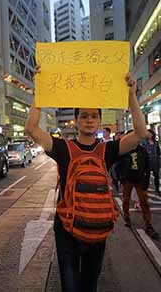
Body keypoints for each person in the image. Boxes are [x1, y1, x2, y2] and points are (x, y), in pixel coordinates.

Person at [25, 68, 147, 292]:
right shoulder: (63, 148)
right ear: (76, 121)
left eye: (94, 116)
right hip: (66, 232)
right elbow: (31, 128)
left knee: (90, 286)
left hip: (96, 226)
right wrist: (38, 93)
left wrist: (131, 96)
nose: (89, 120)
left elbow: (140, 133)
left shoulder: (107, 150)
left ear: (100, 121)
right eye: (84, 116)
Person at [117, 133, 159, 240]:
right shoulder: (125, 151)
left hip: (140, 179)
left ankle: (148, 225)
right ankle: (127, 218)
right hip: (128, 180)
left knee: (144, 202)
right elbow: (119, 166)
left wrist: (146, 180)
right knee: (126, 200)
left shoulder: (143, 150)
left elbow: (147, 167)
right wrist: (122, 179)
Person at [142, 129, 161, 196]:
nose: (148, 134)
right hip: (147, 162)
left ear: (152, 134)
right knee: (147, 176)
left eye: (149, 133)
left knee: (156, 176)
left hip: (155, 161)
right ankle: (145, 190)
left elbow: (158, 152)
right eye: (147, 133)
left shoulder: (155, 142)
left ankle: (157, 189)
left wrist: (158, 159)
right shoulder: (143, 142)